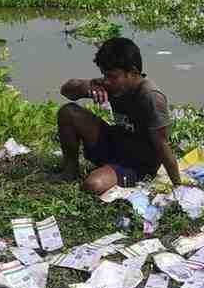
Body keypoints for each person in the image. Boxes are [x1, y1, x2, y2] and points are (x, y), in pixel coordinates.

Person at [57, 37, 181, 194]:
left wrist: (178, 186)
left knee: (93, 185)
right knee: (68, 112)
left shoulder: (150, 97)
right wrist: (88, 86)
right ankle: (70, 172)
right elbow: (66, 90)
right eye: (104, 75)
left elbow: (162, 146)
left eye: (112, 76)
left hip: (137, 163)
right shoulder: (111, 84)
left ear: (133, 72)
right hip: (116, 142)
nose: (107, 81)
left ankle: (113, 173)